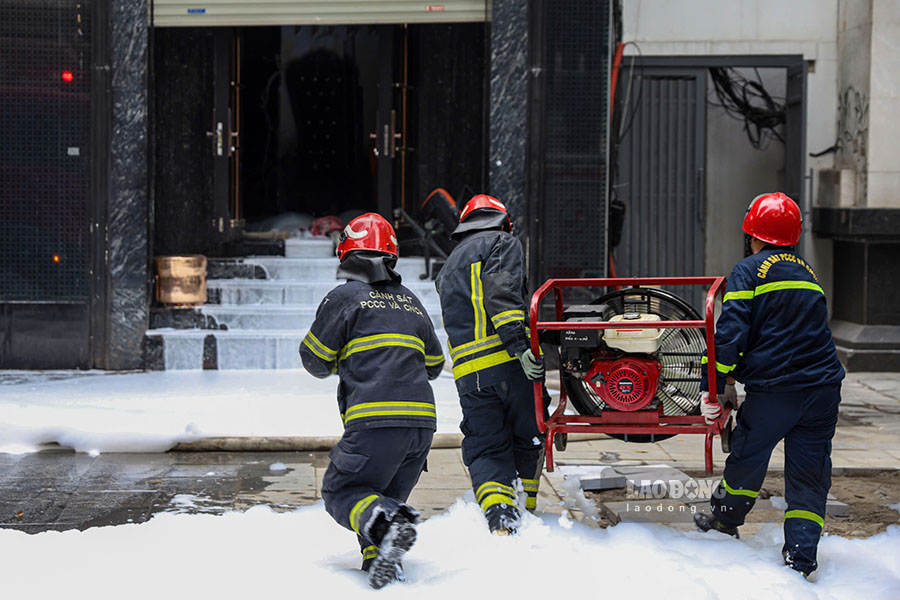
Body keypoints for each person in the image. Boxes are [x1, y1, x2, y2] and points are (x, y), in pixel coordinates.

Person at [693, 192, 845, 578]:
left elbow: (729, 336)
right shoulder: (808, 272)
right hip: (824, 388)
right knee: (810, 473)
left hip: (778, 390)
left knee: (748, 455)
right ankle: (801, 558)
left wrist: (710, 387)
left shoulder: (749, 270)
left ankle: (725, 521)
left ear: (752, 234)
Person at [299, 212, 445, 589]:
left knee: (341, 490)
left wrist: (348, 360)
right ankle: (383, 567)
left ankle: (390, 525)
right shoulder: (411, 302)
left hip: (374, 421)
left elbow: (314, 360)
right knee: (377, 501)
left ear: (346, 254)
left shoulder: (344, 297)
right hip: (421, 428)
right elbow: (434, 365)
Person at [434, 194, 548, 535]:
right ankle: (525, 512)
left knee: (486, 446)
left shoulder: (449, 263)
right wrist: (519, 347)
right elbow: (501, 293)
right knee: (528, 437)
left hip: (470, 375)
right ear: (504, 222)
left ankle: (500, 517)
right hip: (510, 365)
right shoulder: (503, 242)